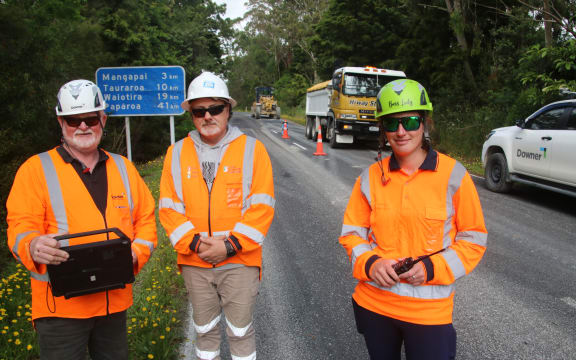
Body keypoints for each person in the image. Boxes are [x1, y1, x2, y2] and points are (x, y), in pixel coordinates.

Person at [6, 79, 157, 359]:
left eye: (90, 118)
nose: (83, 126)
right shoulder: (35, 170)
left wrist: (135, 254)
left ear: (102, 119)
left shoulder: (123, 168)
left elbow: (146, 220)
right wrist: (32, 245)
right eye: (74, 120)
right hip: (61, 308)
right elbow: (19, 226)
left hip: (113, 304)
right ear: (61, 123)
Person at [339, 79, 487, 360]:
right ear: (383, 130)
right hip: (374, 306)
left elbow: (473, 239)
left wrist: (433, 268)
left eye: (410, 121)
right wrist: (372, 263)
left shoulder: (454, 176)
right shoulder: (370, 177)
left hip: (429, 314)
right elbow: (351, 234)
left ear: (424, 123)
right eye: (392, 124)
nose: (401, 131)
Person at [159, 72, 275, 360]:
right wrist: (197, 245)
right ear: (192, 115)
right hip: (194, 261)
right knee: (205, 330)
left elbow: (262, 207)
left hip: (240, 261)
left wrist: (229, 246)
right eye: (199, 111)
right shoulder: (176, 153)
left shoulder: (253, 149)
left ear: (228, 110)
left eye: (215, 109)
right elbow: (168, 209)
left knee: (240, 332)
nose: (207, 116)